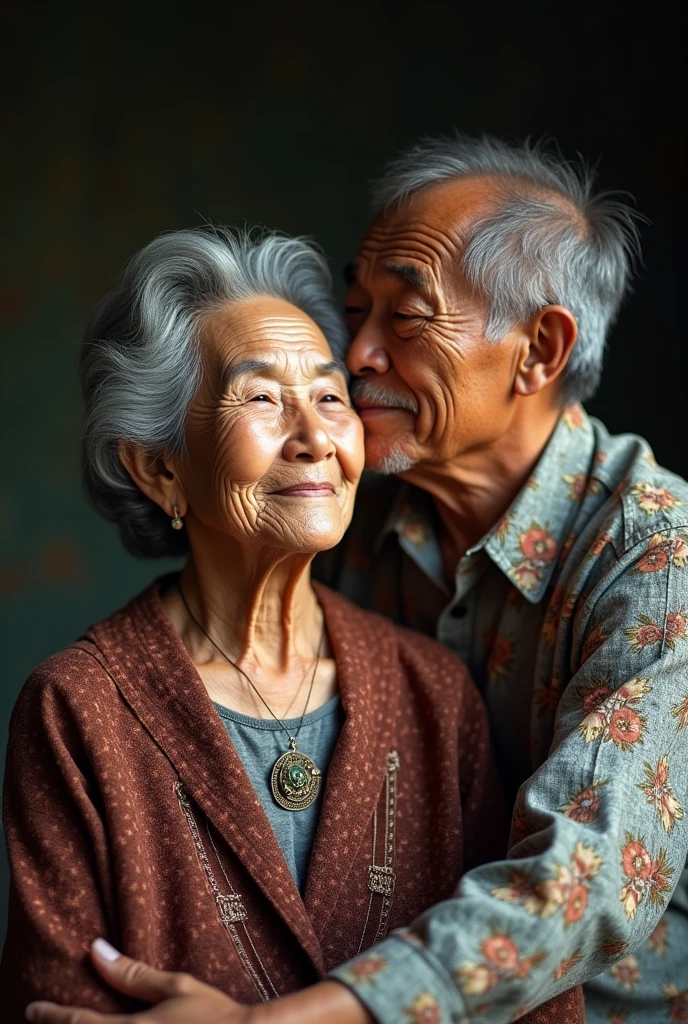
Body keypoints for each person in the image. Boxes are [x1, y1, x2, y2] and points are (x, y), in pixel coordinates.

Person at [22, 133, 688, 1024]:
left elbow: (587, 877)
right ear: (158, 469)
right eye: (355, 311)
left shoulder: (655, 551)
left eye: (404, 317)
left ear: (538, 351)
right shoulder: (358, 500)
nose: (358, 359)